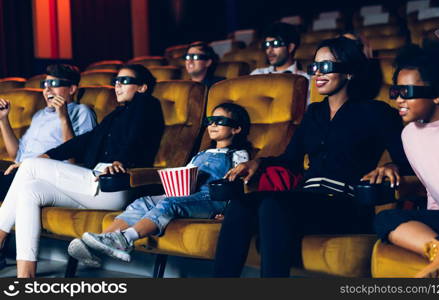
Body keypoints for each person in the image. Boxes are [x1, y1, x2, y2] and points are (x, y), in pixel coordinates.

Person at [213, 37, 412, 277]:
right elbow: (290, 160)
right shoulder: (314, 112)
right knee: (241, 205)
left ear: (349, 72)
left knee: (274, 204)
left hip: (346, 204)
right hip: (306, 198)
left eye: (326, 66)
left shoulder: (376, 111)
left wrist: (391, 165)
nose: (317, 73)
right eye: (315, 67)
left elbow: (408, 159)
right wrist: (257, 163)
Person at [0, 64, 165, 277]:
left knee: (30, 166)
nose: (117, 85)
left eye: (124, 81)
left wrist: (121, 160)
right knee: (29, 190)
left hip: (114, 183)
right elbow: (81, 142)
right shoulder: (116, 115)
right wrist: (43, 157)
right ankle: (26, 276)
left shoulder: (146, 104)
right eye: (115, 80)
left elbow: (137, 138)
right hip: (92, 185)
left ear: (142, 88)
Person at [67, 102, 251, 267]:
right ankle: (101, 240)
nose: (213, 124)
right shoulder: (199, 154)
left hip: (211, 199)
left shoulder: (239, 155)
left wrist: (230, 210)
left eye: (220, 121)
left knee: (170, 203)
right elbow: (185, 178)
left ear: (236, 129)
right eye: (211, 120)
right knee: (144, 201)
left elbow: (238, 184)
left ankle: (125, 239)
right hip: (188, 195)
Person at [374, 45, 439, 278]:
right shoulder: (409, 135)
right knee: (385, 219)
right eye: (395, 92)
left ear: (437, 94)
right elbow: (433, 190)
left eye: (407, 92)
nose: (399, 100)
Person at [0, 64, 97, 199]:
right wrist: (3, 120)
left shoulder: (82, 111)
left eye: (54, 84)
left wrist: (63, 117)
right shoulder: (39, 115)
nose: (47, 90)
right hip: (21, 170)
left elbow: (76, 159)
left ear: (72, 89)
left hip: (46, 175)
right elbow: (16, 155)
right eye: (45, 84)